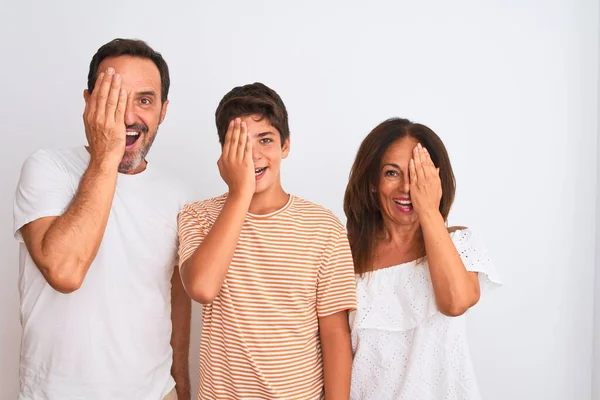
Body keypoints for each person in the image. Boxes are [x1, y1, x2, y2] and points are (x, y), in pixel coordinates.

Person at [13, 38, 191, 400]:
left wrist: (181, 383)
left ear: (163, 110)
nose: (127, 116)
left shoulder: (178, 194)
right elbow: (64, 271)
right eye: (113, 96)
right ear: (89, 102)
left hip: (155, 392)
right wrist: (105, 156)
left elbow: (176, 297)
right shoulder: (47, 169)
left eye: (144, 100)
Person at [177, 82, 357, 399]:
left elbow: (335, 335)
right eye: (240, 144)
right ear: (224, 152)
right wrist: (240, 193)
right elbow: (202, 287)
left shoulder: (323, 226)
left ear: (285, 146)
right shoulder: (198, 216)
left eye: (265, 140)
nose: (254, 154)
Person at [344, 117, 502, 399]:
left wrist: (429, 210)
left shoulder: (460, 242)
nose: (407, 188)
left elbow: (456, 302)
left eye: (418, 174)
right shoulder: (345, 257)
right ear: (372, 182)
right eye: (392, 173)